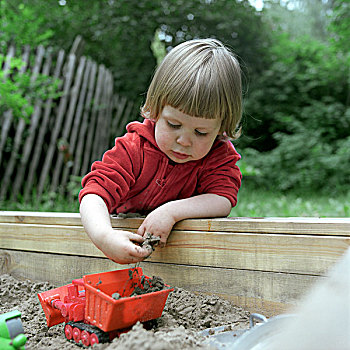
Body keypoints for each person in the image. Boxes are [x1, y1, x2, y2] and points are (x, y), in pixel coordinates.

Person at [79, 38, 243, 264]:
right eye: (174, 125)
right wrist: (104, 236)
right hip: (119, 243)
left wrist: (172, 211)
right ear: (155, 110)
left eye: (201, 132)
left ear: (221, 128)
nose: (184, 140)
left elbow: (223, 199)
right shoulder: (135, 148)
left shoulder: (217, 155)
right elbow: (93, 194)